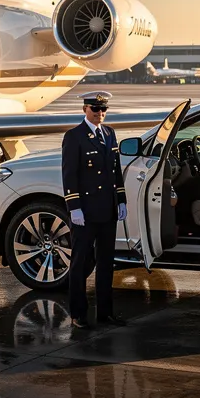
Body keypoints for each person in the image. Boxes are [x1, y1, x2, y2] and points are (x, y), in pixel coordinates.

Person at [61, 91, 127, 329]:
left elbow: (115, 170)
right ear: (85, 110)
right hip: (86, 212)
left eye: (103, 110)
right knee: (79, 264)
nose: (100, 114)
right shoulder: (74, 136)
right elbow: (69, 175)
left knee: (106, 263)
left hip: (108, 210)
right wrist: (74, 207)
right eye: (95, 110)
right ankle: (78, 314)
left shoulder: (109, 133)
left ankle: (105, 313)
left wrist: (121, 200)